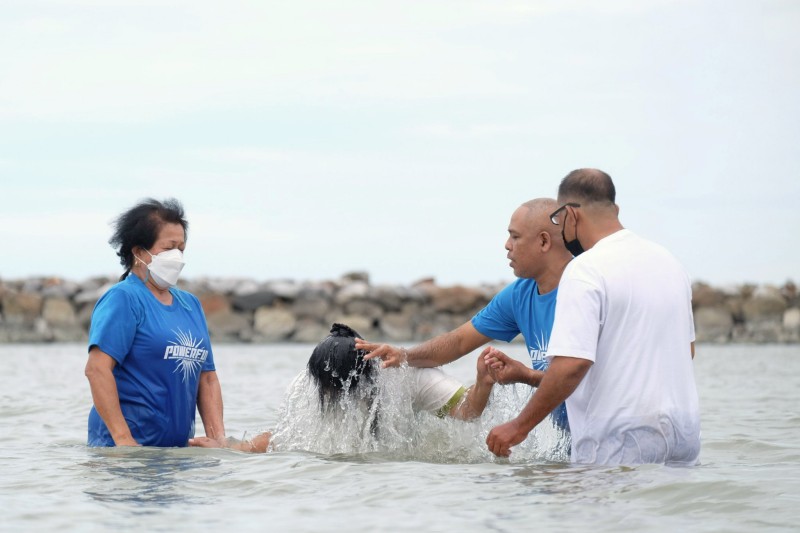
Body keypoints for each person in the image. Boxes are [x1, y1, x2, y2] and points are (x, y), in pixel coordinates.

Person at [486, 169, 701, 465]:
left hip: (620, 439)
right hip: (684, 434)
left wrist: (518, 426)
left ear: (570, 215)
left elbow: (572, 364)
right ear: (615, 209)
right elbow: (685, 350)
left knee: (588, 512)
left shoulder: (586, 269)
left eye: (559, 221)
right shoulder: (670, 262)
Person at [355, 198, 574, 431]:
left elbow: (589, 378)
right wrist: (403, 355)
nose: (507, 245)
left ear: (543, 241)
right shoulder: (519, 294)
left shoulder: (587, 289)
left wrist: (527, 376)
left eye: (515, 237)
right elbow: (458, 342)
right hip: (577, 445)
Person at [189, 323, 495, 452]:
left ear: (364, 377)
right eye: (326, 389)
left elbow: (468, 411)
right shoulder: (316, 378)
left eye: (339, 389)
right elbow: (286, 437)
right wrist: (234, 448)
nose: (331, 396)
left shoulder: (407, 377)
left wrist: (483, 381)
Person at [84, 198, 225, 447]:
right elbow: (97, 369)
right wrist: (123, 440)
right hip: (126, 456)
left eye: (181, 248)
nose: (177, 256)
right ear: (139, 252)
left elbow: (207, 378)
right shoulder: (123, 299)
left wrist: (219, 440)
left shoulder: (191, 305)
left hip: (175, 456)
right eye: (169, 247)